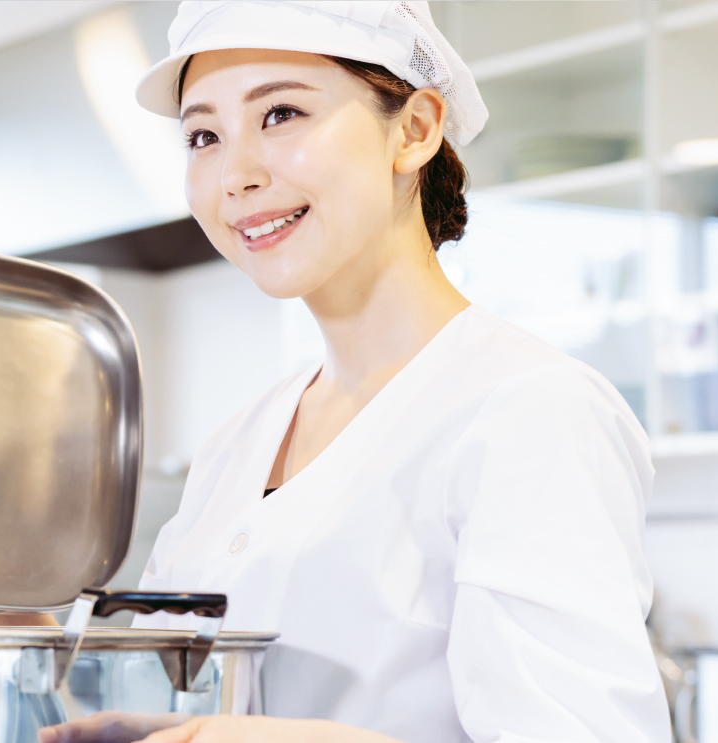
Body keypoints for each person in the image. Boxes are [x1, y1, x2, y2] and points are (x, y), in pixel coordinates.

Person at [39, 2, 672, 742]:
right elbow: (172, 695)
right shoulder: (233, 446)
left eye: (280, 113)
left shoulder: (529, 409)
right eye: (203, 135)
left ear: (415, 129)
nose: (235, 174)